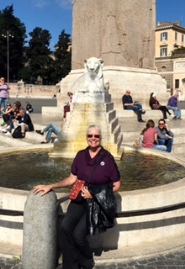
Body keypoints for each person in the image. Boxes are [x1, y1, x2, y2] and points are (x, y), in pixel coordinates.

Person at [33, 124, 121, 269]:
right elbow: (71, 179)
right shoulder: (80, 155)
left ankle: (86, 262)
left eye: (96, 136)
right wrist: (51, 186)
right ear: (87, 138)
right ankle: (70, 265)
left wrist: (94, 194)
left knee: (79, 236)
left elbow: (117, 185)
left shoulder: (107, 159)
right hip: (79, 200)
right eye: (90, 136)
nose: (93, 139)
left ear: (100, 138)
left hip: (96, 204)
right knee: (65, 228)